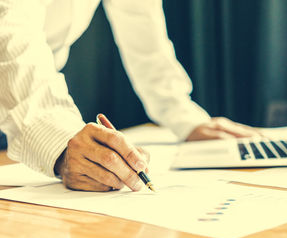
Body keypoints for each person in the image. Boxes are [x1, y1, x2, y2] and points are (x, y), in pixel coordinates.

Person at [0, 0, 259, 192]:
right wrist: (58, 139)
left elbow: (143, 29)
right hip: (27, 106)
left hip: (22, 114)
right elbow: (10, 30)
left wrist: (184, 115)